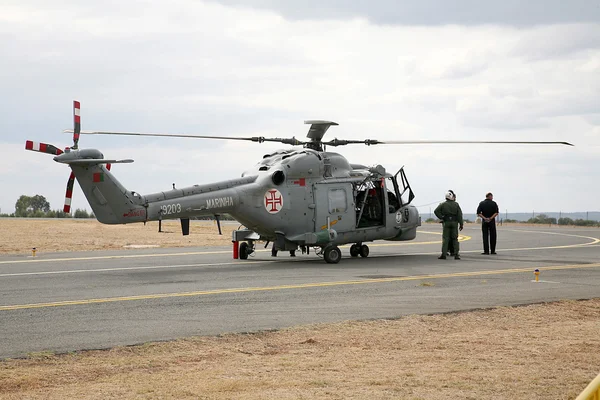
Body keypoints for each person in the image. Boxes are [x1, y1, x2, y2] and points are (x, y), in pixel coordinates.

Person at [434, 190, 463, 260]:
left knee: (445, 239)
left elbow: (436, 211)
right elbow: (459, 215)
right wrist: (461, 224)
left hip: (446, 222)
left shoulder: (443, 204)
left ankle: (444, 254)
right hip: (454, 223)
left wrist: (442, 217)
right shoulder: (456, 204)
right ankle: (456, 254)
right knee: (455, 239)